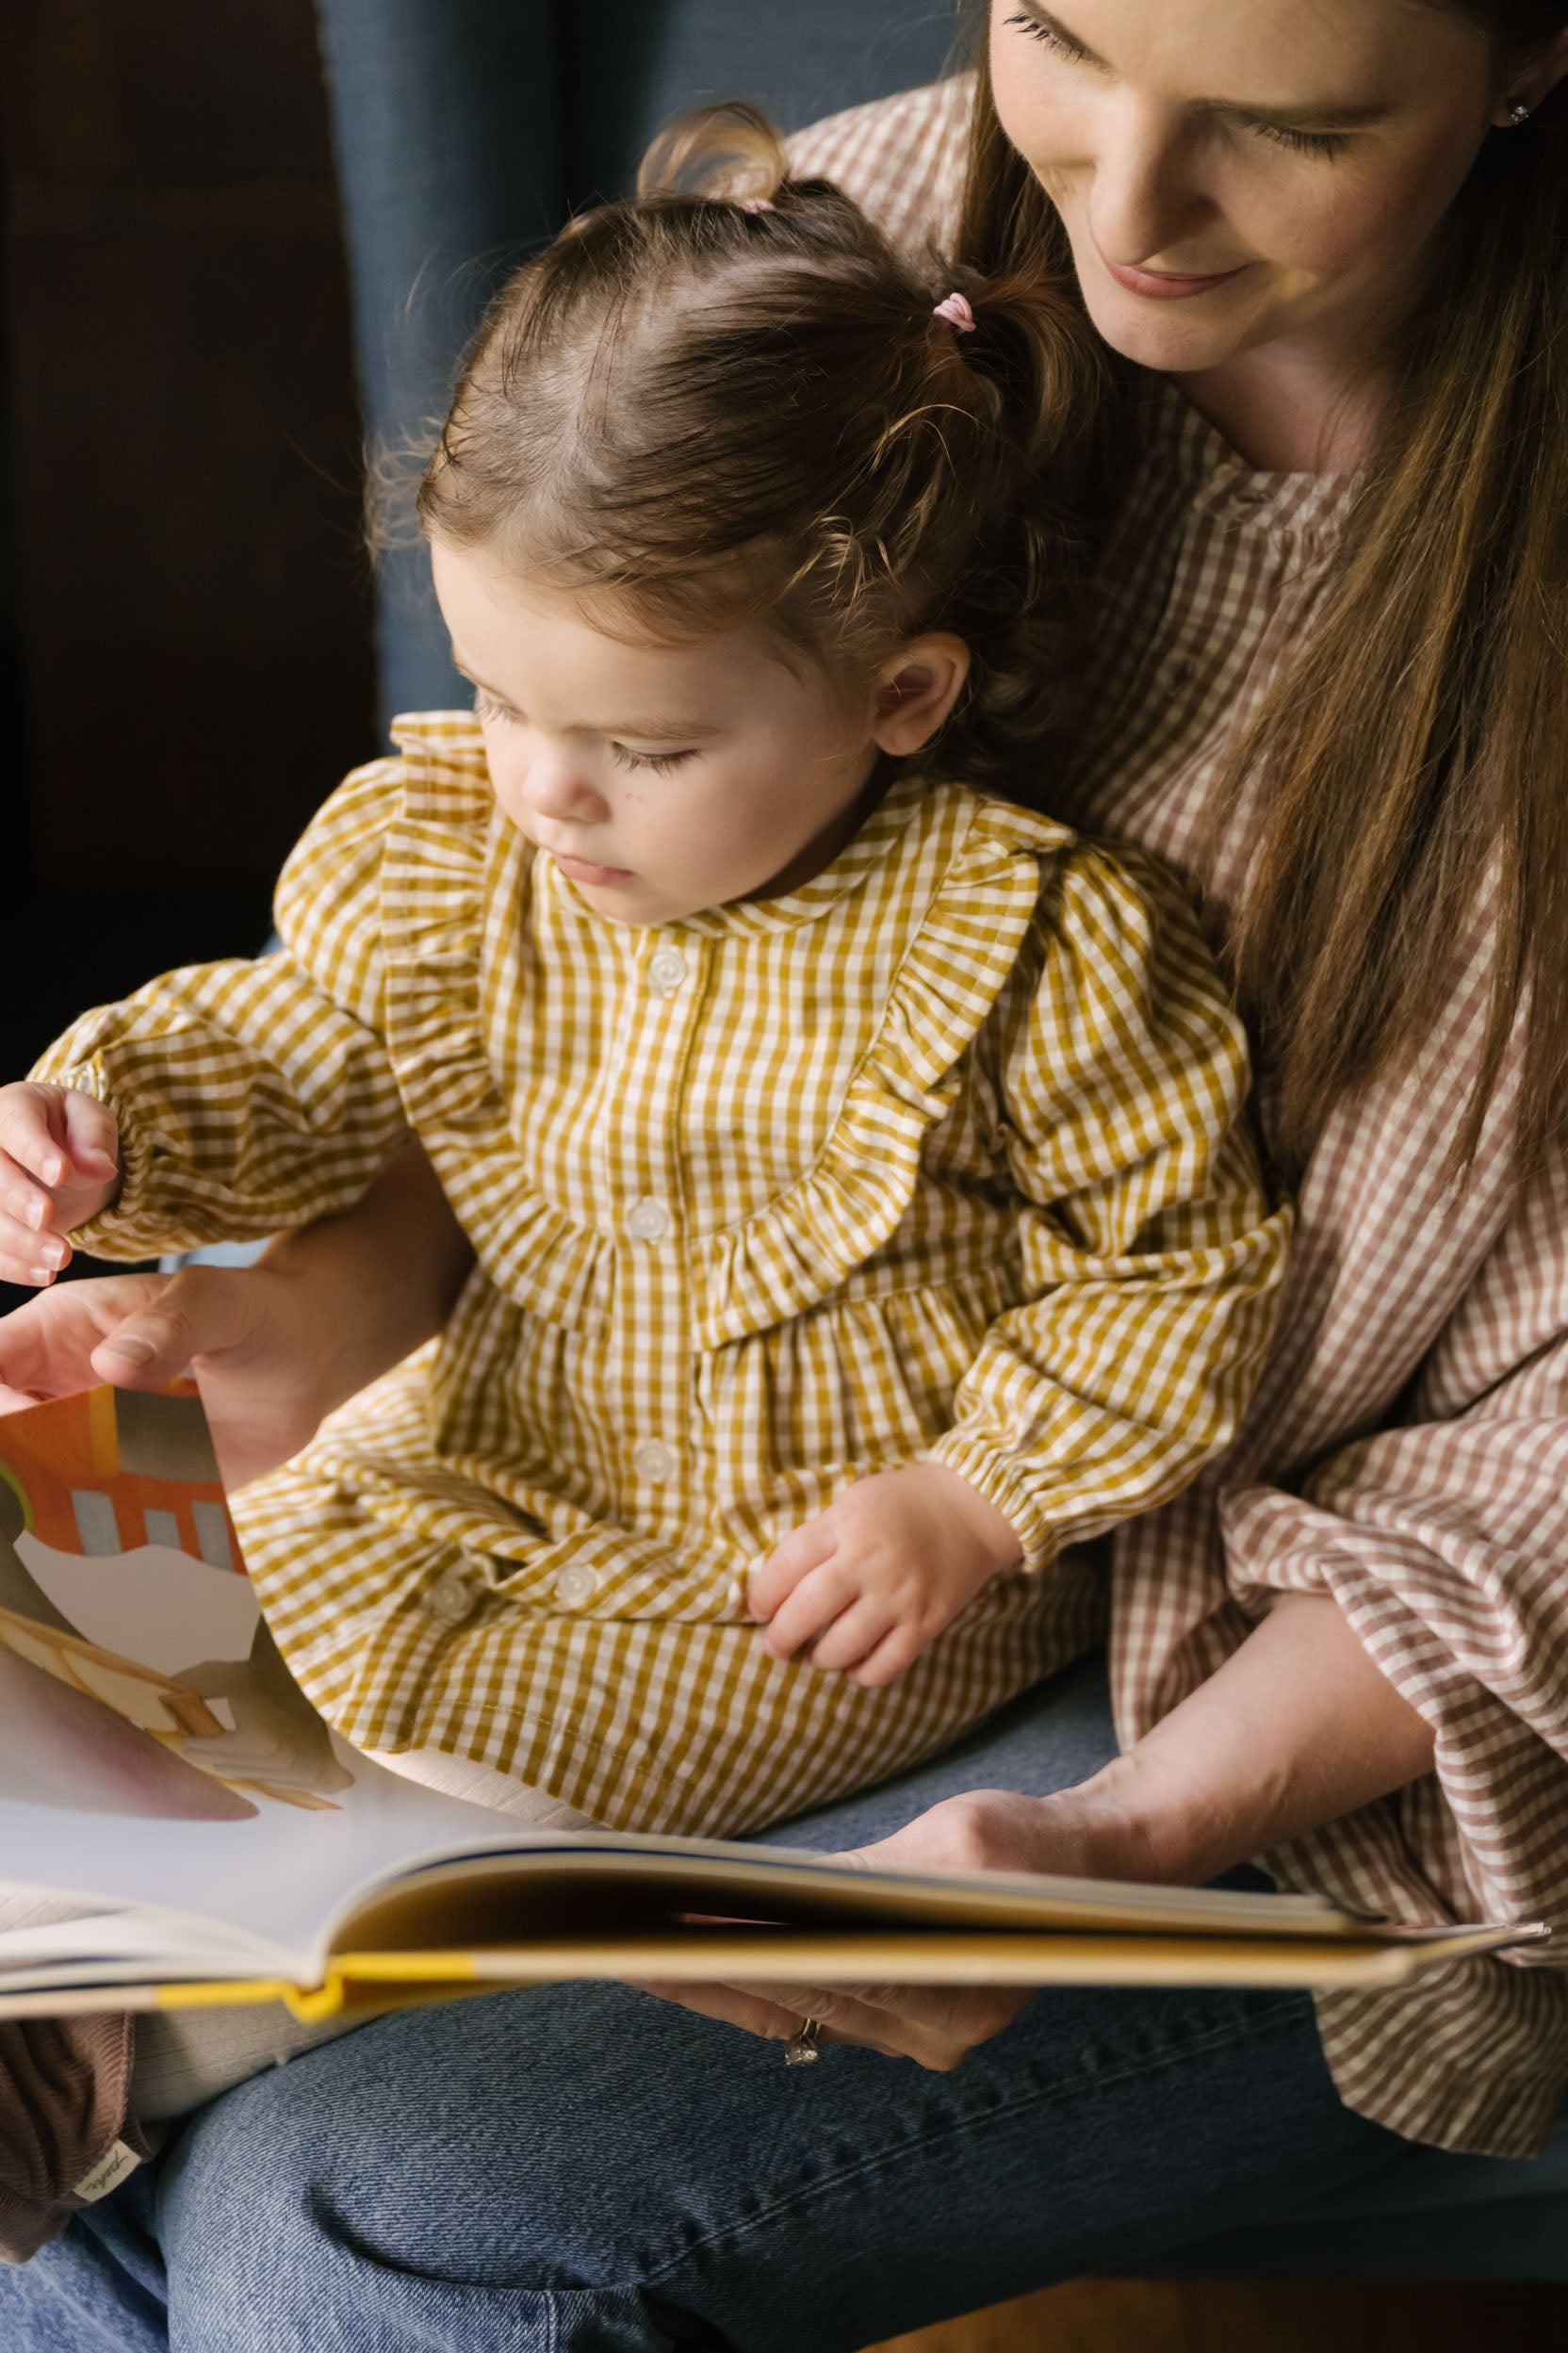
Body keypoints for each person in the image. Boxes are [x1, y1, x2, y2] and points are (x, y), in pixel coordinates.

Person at [3, 0, 1568, 2353]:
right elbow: (569, 1017)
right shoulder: (884, 270)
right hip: (664, 1531)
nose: (1119, 214)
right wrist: (271, 1323)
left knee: (371, 2256)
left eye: (1283, 121)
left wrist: (1133, 1842)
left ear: (1553, 39)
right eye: (1053, 30)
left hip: (1291, 1728)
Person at [0, 105, 1291, 1838]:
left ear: (898, 699)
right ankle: (79, 1956)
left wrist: (974, 1502)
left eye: (647, 747)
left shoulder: (1032, 945)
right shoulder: (451, 851)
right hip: (465, 1452)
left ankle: (126, 2042)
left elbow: (1178, 1266)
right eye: (503, 695)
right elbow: (296, 1047)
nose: (546, 786)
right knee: (107, 1647)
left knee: (426, 1758)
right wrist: (106, 1121)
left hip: (808, 1555)